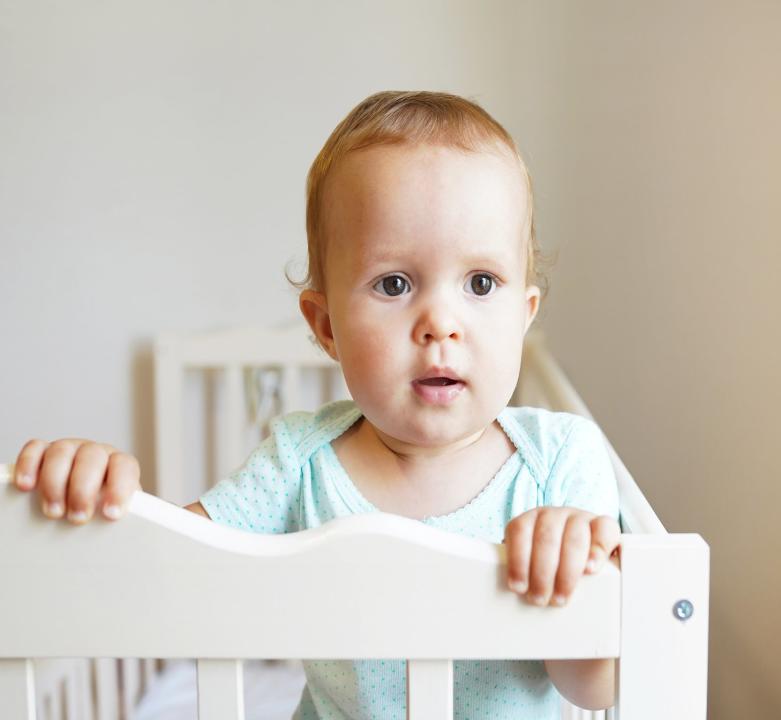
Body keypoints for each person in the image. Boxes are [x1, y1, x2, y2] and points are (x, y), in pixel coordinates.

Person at [13, 90, 622, 718]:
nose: (441, 322)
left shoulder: (560, 462)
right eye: (394, 283)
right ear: (326, 326)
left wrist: (572, 581)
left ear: (523, 318)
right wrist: (106, 499)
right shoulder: (299, 462)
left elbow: (595, 689)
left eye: (480, 283)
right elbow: (173, 568)